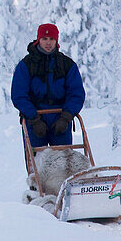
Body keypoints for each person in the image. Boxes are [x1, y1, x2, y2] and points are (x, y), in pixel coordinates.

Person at [11, 23, 85, 151]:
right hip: (34, 119)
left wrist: (66, 117)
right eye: (45, 39)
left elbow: (76, 94)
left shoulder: (67, 64)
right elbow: (19, 95)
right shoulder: (26, 65)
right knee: (38, 164)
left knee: (64, 162)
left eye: (52, 39)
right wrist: (34, 119)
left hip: (60, 118)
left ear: (56, 40)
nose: (48, 43)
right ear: (38, 40)